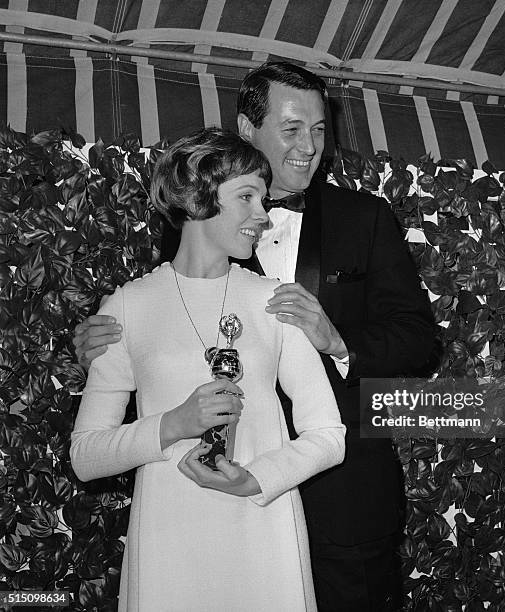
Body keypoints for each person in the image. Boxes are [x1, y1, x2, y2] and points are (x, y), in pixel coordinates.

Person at [74, 62, 436, 612]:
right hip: (201, 505)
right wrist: (97, 345)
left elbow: (420, 342)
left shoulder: (365, 218)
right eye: (292, 129)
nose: (310, 146)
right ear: (247, 128)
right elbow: (163, 330)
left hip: (345, 497)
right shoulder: (193, 222)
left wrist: (339, 340)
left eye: (319, 130)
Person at [70, 128, 346, 612]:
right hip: (169, 540)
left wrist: (255, 480)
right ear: (198, 198)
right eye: (247, 197)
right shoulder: (127, 307)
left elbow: (328, 435)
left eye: (263, 199)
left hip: (264, 530)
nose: (263, 214)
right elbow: (86, 455)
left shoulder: (275, 300)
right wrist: (174, 424)